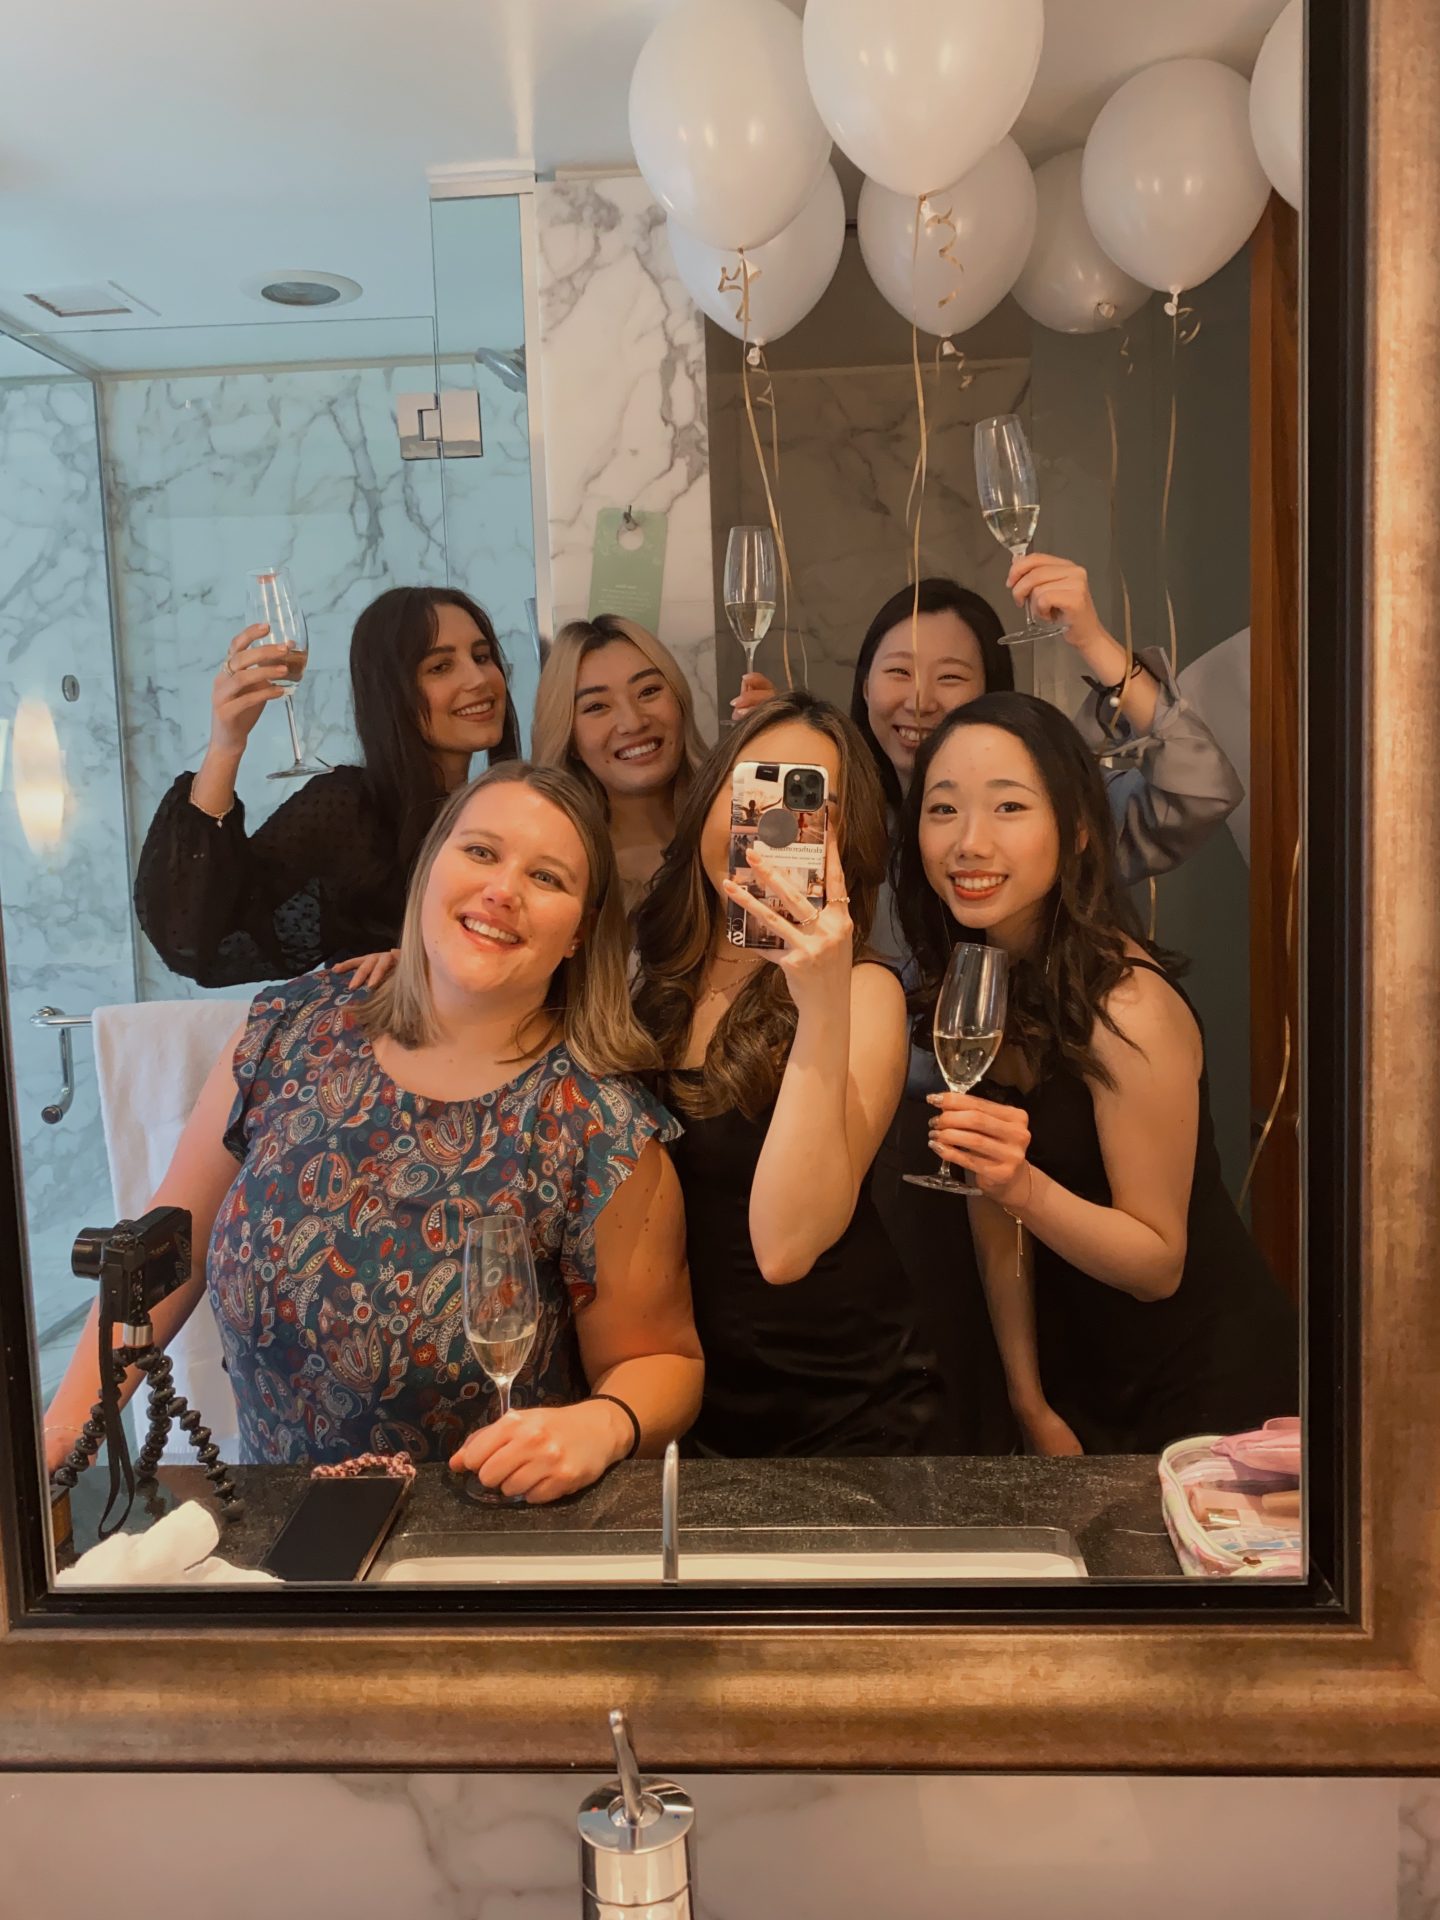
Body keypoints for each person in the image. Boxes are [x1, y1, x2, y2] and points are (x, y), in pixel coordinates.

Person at [48, 764, 703, 1500]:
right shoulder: (289, 1029)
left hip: (481, 1548)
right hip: (272, 1536)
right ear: (430, 870)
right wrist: (59, 1441)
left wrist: (603, 1424)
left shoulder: (599, 1127)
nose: (503, 890)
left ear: (580, 933)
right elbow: (168, 1251)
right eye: (481, 852)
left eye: (547, 877)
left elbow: (666, 1363)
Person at [895, 692, 1296, 1454]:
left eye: (1010, 807)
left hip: (1204, 1388)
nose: (969, 843)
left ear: (1078, 828)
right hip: (1079, 1375)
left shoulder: (1128, 1006)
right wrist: (1029, 1398)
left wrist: (1019, 1185)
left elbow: (1157, 1263)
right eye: (942, 811)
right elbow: (990, 1207)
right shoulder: (979, 979)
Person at [632, 691, 941, 1457]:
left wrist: (822, 999)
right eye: (754, 791)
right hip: (682, 1398)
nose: (774, 828)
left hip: (842, 1407)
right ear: (711, 802)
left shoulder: (865, 991)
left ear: (844, 841)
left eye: (810, 807)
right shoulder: (649, 977)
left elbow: (785, 1247)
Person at [850, 556, 1243, 958]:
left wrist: (1094, 643)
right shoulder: (837, 819)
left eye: (951, 676)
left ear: (991, 693)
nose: (920, 702)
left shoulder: (1054, 799)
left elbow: (1203, 792)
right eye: (899, 672)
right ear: (865, 688)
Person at [133, 586, 520, 988]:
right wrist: (226, 746)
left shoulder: (516, 810)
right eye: (440, 667)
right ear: (391, 692)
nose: (478, 679)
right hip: (378, 1043)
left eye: (481, 657)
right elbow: (196, 942)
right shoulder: (353, 809)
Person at [531, 613, 773, 912]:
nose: (632, 723)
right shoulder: (559, 872)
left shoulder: (741, 822)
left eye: (648, 691)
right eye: (596, 707)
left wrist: (783, 753)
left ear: (680, 701)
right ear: (569, 740)